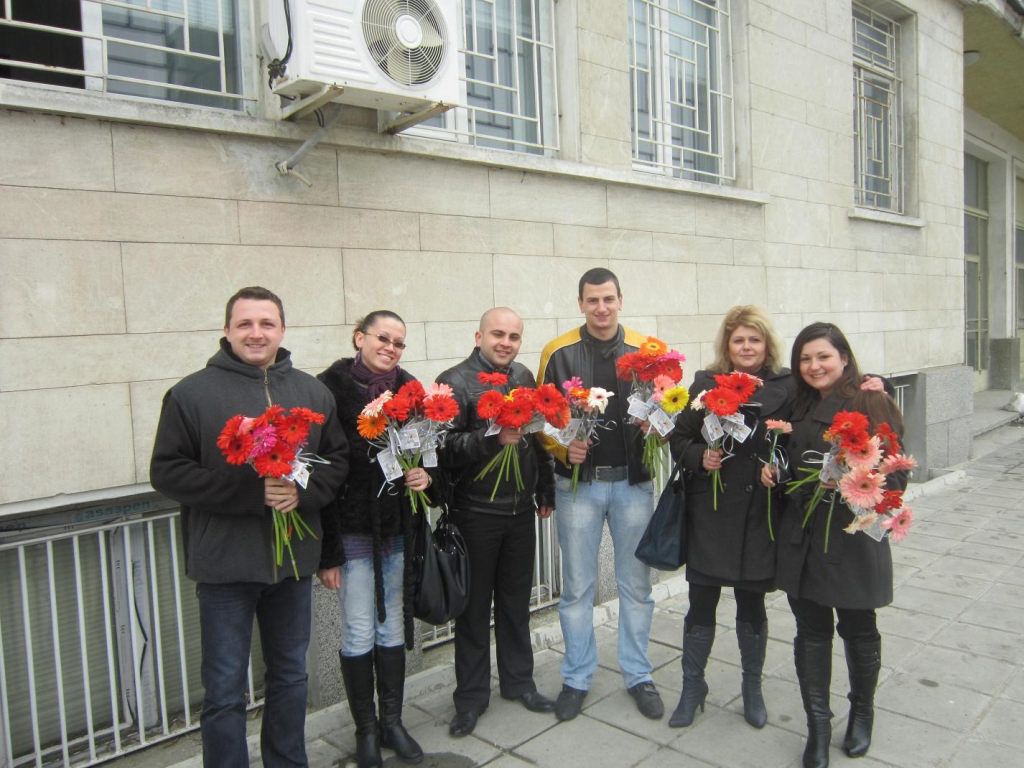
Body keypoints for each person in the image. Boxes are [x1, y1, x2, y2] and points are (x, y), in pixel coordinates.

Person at [150, 286, 350, 768]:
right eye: (245, 324)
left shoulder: (312, 392)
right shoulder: (191, 394)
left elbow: (336, 460)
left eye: (266, 324)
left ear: (282, 330)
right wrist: (250, 493)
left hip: (292, 562)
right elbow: (168, 471)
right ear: (227, 330)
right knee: (223, 689)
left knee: (290, 675)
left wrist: (302, 494)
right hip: (225, 564)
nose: (256, 333)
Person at [763, 322, 905, 768]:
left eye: (823, 356)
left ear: (844, 357)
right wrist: (776, 473)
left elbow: (897, 475)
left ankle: (862, 712)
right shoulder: (796, 402)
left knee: (858, 630)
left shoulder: (869, 400)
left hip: (850, 539)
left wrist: (853, 481)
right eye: (805, 358)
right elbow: (786, 456)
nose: (814, 366)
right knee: (811, 634)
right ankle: (818, 728)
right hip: (802, 538)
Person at [537, 267, 663, 722]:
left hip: (634, 484)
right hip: (579, 489)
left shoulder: (648, 352)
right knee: (576, 589)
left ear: (621, 300)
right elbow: (541, 417)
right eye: (592, 300)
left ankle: (638, 674)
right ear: (580, 304)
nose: (601, 308)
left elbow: (668, 408)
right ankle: (576, 677)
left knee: (636, 586)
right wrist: (561, 446)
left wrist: (659, 430)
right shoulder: (558, 352)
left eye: (608, 299)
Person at [316, 310, 437, 768]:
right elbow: (323, 475)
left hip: (398, 529)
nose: (390, 348)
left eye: (399, 342)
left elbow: (428, 452)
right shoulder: (328, 390)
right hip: (351, 531)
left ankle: (392, 722)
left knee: (392, 628)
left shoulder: (411, 389)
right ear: (359, 338)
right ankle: (365, 730)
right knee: (358, 628)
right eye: (382, 338)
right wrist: (327, 553)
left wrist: (426, 477)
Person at [667, 306, 794, 730]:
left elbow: (796, 444)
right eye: (738, 340)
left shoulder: (787, 386)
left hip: (758, 515)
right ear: (727, 345)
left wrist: (779, 469)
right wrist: (699, 458)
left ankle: (752, 688)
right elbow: (679, 437)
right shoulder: (706, 383)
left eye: (754, 340)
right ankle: (692, 687)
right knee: (701, 602)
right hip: (712, 512)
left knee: (751, 604)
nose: (746, 347)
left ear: (766, 344)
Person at [436, 307, 557, 737]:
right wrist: (492, 438)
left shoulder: (522, 376)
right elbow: (443, 447)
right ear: (479, 336)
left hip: (520, 511)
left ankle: (519, 682)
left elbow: (536, 437)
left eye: (514, 336)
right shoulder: (455, 381)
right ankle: (470, 698)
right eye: (498, 334)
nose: (506, 343)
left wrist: (545, 488)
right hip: (476, 513)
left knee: (515, 603)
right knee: (473, 611)